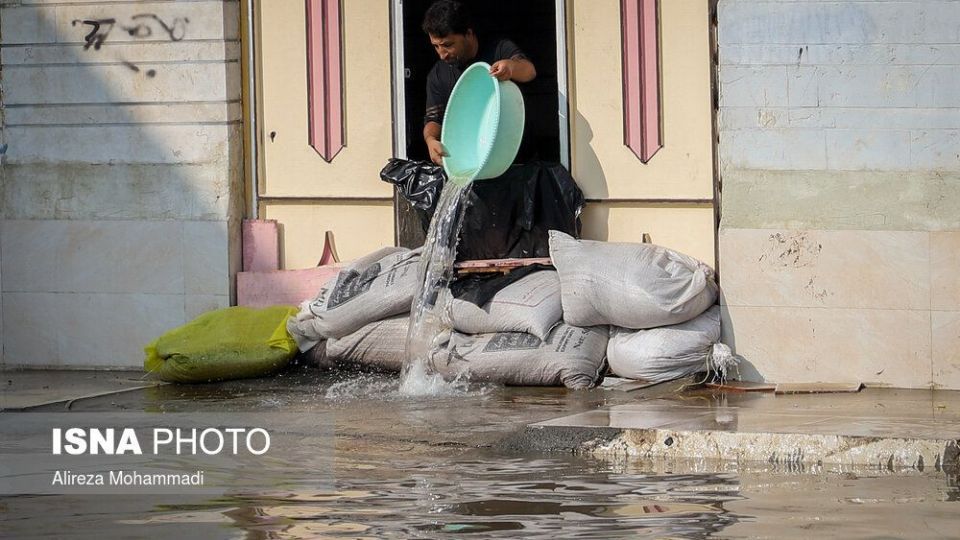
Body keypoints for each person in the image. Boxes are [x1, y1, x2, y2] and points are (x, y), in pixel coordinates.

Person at [421, 0, 537, 166]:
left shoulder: (499, 49)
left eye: (448, 45)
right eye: (436, 46)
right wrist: (431, 140)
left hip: (519, 162)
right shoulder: (438, 75)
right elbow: (434, 118)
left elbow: (529, 71)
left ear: (468, 34)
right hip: (473, 160)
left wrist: (511, 68)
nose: (442, 54)